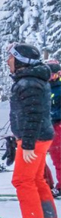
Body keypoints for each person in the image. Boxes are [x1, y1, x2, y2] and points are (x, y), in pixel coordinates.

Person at [0, 43, 59, 218]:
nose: (8, 61)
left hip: (33, 138)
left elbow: (33, 115)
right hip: (38, 136)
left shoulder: (29, 83)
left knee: (22, 180)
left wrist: (27, 144)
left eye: (11, 57)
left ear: (21, 60)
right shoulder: (30, 80)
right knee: (37, 180)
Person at [46, 62, 61, 197]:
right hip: (49, 125)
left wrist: (52, 114)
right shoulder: (45, 86)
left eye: (53, 74)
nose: (50, 77)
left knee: (59, 155)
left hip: (58, 124)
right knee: (55, 157)